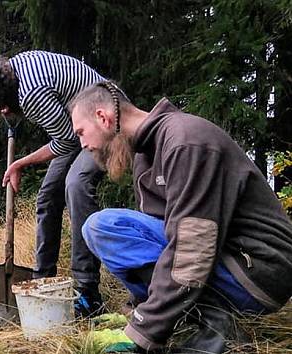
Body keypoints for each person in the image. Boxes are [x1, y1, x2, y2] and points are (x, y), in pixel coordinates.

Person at [69, 81, 292, 352]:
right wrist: (137, 311)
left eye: (80, 132)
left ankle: (213, 324)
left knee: (104, 226)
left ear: (103, 117)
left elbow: (193, 247)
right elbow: (161, 242)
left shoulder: (185, 141)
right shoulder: (148, 156)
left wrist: (141, 332)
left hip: (257, 274)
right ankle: (170, 315)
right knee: (105, 229)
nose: (83, 144)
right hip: (229, 263)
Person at [0, 51, 107, 316]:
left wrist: (21, 163)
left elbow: (66, 141)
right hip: (76, 128)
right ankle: (42, 282)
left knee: (76, 185)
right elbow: (66, 134)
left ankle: (87, 293)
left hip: (104, 121)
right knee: (47, 197)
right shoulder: (14, 71)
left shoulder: (31, 94)